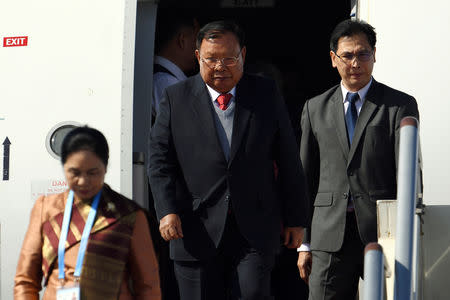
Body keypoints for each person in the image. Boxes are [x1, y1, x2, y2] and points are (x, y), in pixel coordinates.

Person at [148, 19, 309, 300]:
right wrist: (166, 210)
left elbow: (288, 159)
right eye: (211, 59)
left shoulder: (264, 93)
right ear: (198, 57)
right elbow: (160, 161)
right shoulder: (176, 98)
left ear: (243, 55)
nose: (220, 67)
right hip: (194, 226)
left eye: (229, 59)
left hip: (254, 228)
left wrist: (296, 219)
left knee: (253, 293)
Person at [297, 19, 419, 299]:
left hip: (382, 231)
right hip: (328, 234)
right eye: (347, 55)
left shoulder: (399, 105)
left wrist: (405, 232)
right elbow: (305, 178)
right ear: (333, 59)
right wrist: (305, 243)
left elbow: (407, 173)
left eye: (363, 53)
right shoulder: (314, 108)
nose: (355, 62)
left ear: (374, 55)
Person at [14, 126, 161, 300]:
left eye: (93, 173)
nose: (83, 181)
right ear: (64, 167)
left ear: (105, 168)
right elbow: (25, 281)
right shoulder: (46, 209)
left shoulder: (129, 215)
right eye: (74, 173)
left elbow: (147, 286)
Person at [152, 10, 200, 122]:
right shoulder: (166, 82)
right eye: (197, 41)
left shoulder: (166, 80)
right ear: (182, 40)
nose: (201, 49)